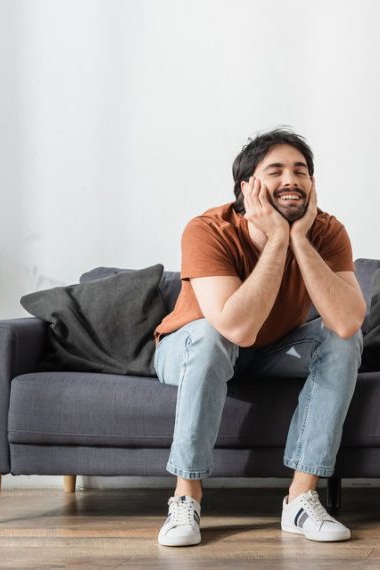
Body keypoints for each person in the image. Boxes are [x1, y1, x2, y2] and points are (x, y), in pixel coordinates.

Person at [150, 128, 366, 547]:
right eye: (277, 170)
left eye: (301, 171)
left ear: (312, 185)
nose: (292, 180)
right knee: (214, 335)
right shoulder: (207, 229)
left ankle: (301, 499)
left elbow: (345, 323)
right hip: (190, 349)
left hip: (270, 349)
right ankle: (185, 497)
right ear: (248, 187)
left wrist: (298, 238)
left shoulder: (326, 231)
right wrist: (276, 242)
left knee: (343, 341)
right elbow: (236, 327)